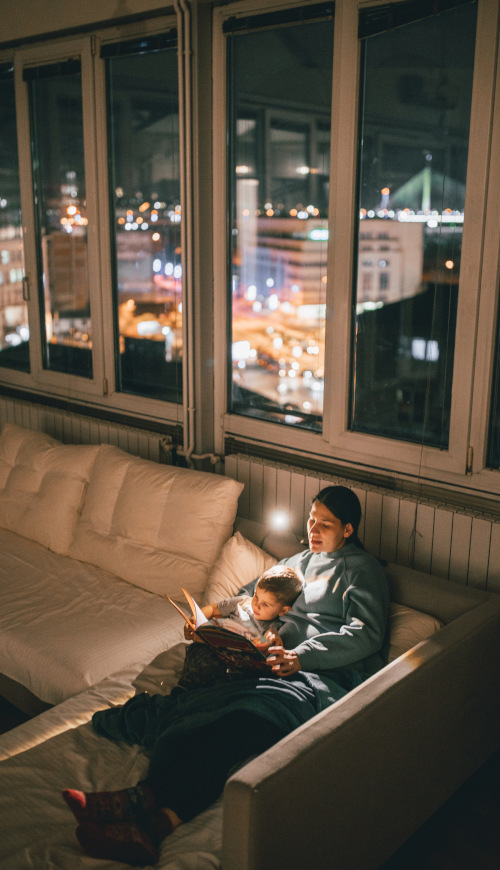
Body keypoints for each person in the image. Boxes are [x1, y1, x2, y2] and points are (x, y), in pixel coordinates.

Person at [62, 485, 389, 867]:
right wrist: (209, 622)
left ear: (348, 530)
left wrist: (301, 657)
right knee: (206, 714)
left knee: (242, 717)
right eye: (311, 520)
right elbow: (252, 595)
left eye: (326, 525)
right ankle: (151, 821)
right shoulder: (298, 560)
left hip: (313, 674)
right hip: (267, 662)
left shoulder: (363, 570)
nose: (313, 530)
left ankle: (140, 803)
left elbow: (366, 633)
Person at [177, 563, 304, 690]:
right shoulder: (242, 603)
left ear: (283, 611)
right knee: (204, 660)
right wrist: (194, 620)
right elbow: (212, 609)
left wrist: (269, 643)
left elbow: (267, 651)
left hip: (235, 667)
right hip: (209, 650)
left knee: (235, 681)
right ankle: (185, 689)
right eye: (256, 596)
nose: (256, 605)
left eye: (265, 604)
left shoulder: (273, 628)